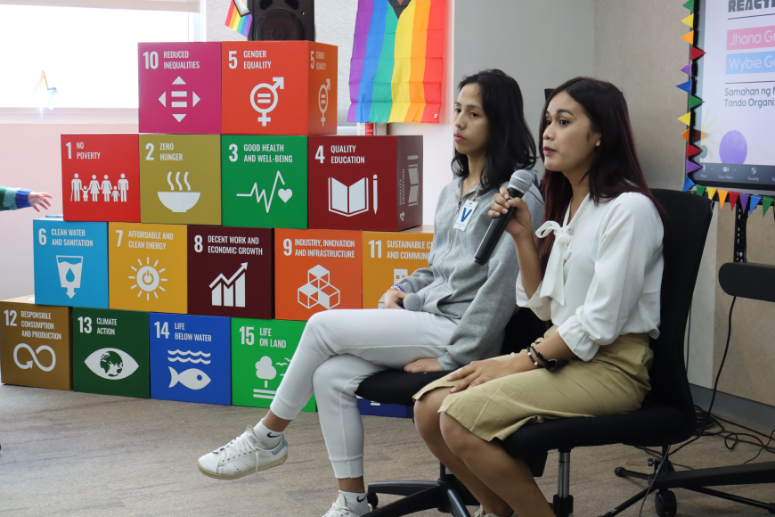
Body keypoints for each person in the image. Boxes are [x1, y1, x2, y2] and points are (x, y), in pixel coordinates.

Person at [196, 69, 546, 517]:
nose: (458, 122)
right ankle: (353, 501)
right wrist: (403, 287)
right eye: (457, 110)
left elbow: (499, 291)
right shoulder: (450, 192)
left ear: (499, 124)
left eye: (473, 114)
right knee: (331, 376)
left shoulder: (516, 196)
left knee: (321, 324)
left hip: (458, 331)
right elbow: (439, 267)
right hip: (429, 317)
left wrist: (456, 356)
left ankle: (266, 437)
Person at [412, 77, 665, 517]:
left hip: (612, 368)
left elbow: (598, 324)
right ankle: (499, 510)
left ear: (601, 133)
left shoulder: (629, 209)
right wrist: (524, 239)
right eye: (547, 121)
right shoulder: (572, 207)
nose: (547, 132)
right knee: (429, 407)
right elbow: (545, 306)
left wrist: (518, 360)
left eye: (564, 122)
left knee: (455, 417)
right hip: (566, 355)